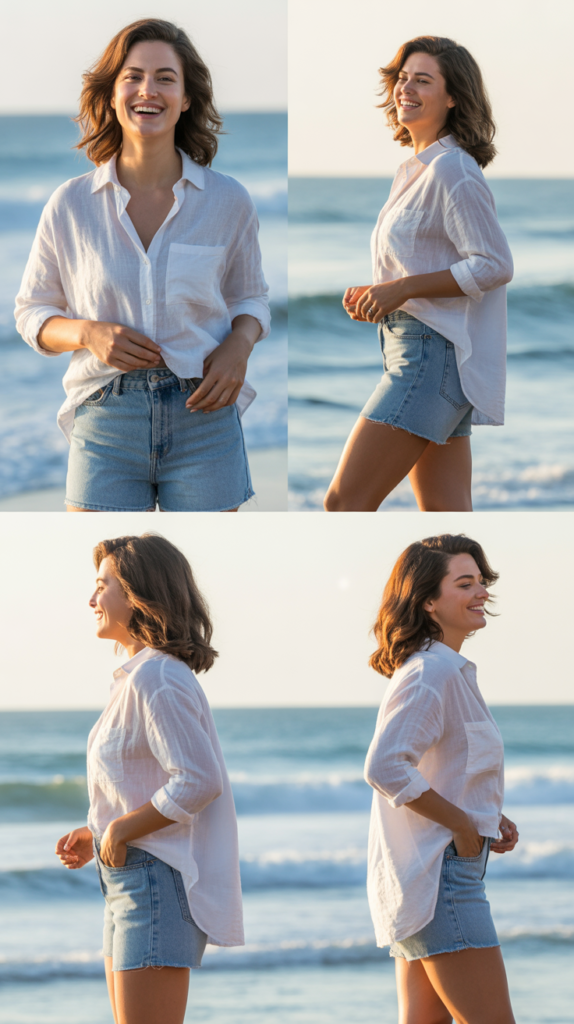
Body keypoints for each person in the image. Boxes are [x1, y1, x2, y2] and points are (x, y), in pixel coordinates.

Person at [15, 18, 269, 512]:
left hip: (205, 415)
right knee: (106, 552)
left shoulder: (228, 201)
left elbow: (250, 298)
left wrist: (239, 346)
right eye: (132, 77)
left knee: (207, 554)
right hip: (106, 419)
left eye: (165, 78)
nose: (147, 90)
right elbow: (32, 312)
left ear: (186, 98)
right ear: (112, 94)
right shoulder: (71, 205)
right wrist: (88, 333)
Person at [55, 534, 242, 1024]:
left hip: (152, 881)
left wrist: (120, 830)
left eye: (102, 586)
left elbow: (198, 779)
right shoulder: (137, 676)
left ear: (138, 595)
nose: (92, 599)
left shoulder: (157, 677)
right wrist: (98, 830)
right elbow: (143, 777)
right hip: (128, 880)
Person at [324, 36, 513, 513]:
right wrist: (383, 293)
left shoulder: (453, 170)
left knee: (344, 503)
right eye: (403, 78)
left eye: (422, 80)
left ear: (453, 97)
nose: (406, 88)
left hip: (428, 358)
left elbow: (494, 264)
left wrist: (403, 288)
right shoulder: (418, 170)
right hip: (420, 351)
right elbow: (428, 260)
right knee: (446, 513)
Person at [364, 534, 519, 1024]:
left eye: (481, 582)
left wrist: (487, 815)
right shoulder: (431, 672)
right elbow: (385, 766)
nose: (481, 593)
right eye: (465, 583)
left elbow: (446, 765)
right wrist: (461, 823)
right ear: (428, 601)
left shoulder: (446, 670)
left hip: (432, 876)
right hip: (442, 878)